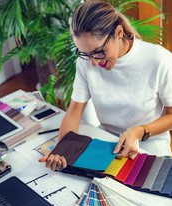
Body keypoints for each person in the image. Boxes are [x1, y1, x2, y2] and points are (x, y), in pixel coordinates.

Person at [39, 0, 172, 171]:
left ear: (118, 32)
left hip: (150, 146)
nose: (94, 62)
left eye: (99, 52)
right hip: (106, 144)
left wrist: (139, 131)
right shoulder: (85, 61)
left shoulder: (159, 59)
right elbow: (74, 111)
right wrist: (62, 150)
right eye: (86, 54)